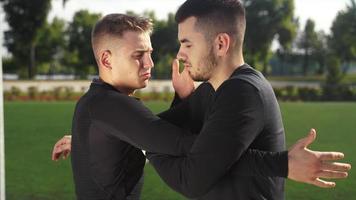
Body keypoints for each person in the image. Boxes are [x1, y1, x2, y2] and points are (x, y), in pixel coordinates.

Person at [52, 9, 351, 200]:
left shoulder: (234, 91)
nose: (152, 63)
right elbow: (173, 140)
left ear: (221, 43)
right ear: (106, 59)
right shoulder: (107, 105)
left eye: (187, 43)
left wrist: (128, 138)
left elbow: (188, 149)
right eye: (138, 55)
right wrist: (111, 139)